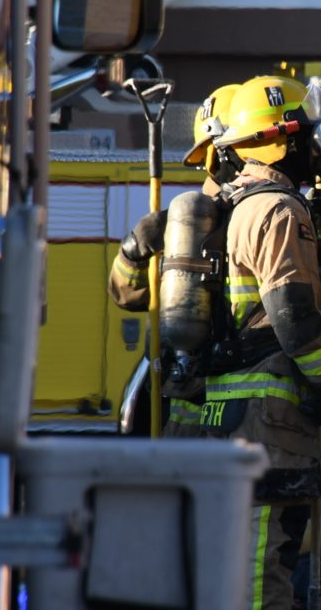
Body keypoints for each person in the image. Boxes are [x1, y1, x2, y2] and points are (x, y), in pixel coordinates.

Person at [202, 74, 321, 610]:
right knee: (263, 566)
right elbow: (294, 314)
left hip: (227, 414)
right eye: (309, 135)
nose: (317, 148)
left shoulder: (229, 203)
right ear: (281, 140)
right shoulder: (279, 211)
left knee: (231, 560)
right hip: (270, 421)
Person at [107, 82, 240, 437]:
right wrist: (135, 249)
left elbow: (123, 296)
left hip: (209, 396)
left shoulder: (243, 211)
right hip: (205, 395)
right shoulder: (187, 222)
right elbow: (127, 294)